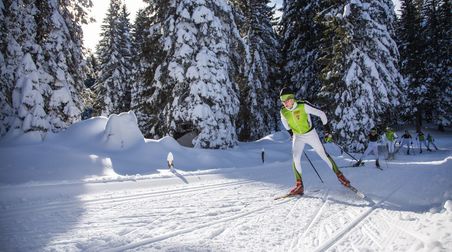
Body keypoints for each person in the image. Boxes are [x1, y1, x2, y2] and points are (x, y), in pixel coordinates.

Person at [279, 87, 351, 196]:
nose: (285, 103)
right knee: (296, 158)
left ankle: (340, 176)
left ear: (292, 99)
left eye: (287, 100)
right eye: (282, 101)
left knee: (323, 155)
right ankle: (299, 186)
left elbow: (322, 114)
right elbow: (284, 122)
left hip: (310, 134)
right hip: (298, 136)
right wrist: (291, 133)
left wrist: (327, 131)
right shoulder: (283, 111)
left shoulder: (303, 105)